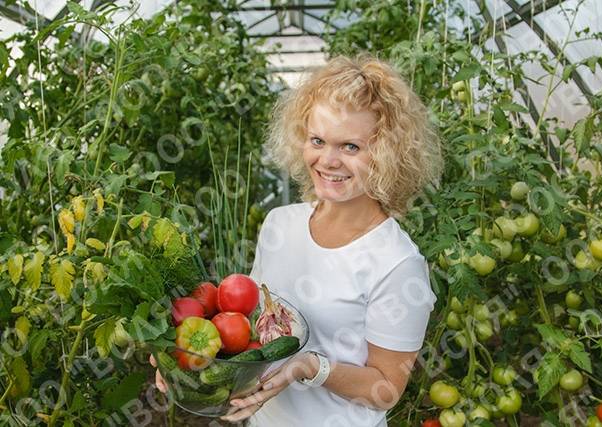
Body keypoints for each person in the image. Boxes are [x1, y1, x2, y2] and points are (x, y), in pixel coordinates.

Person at [152, 54, 443, 426]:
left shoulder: (397, 263)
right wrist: (183, 362)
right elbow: (252, 329)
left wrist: (308, 366)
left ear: (387, 155)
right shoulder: (280, 224)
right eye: (317, 140)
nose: (328, 160)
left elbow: (386, 388)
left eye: (350, 147)